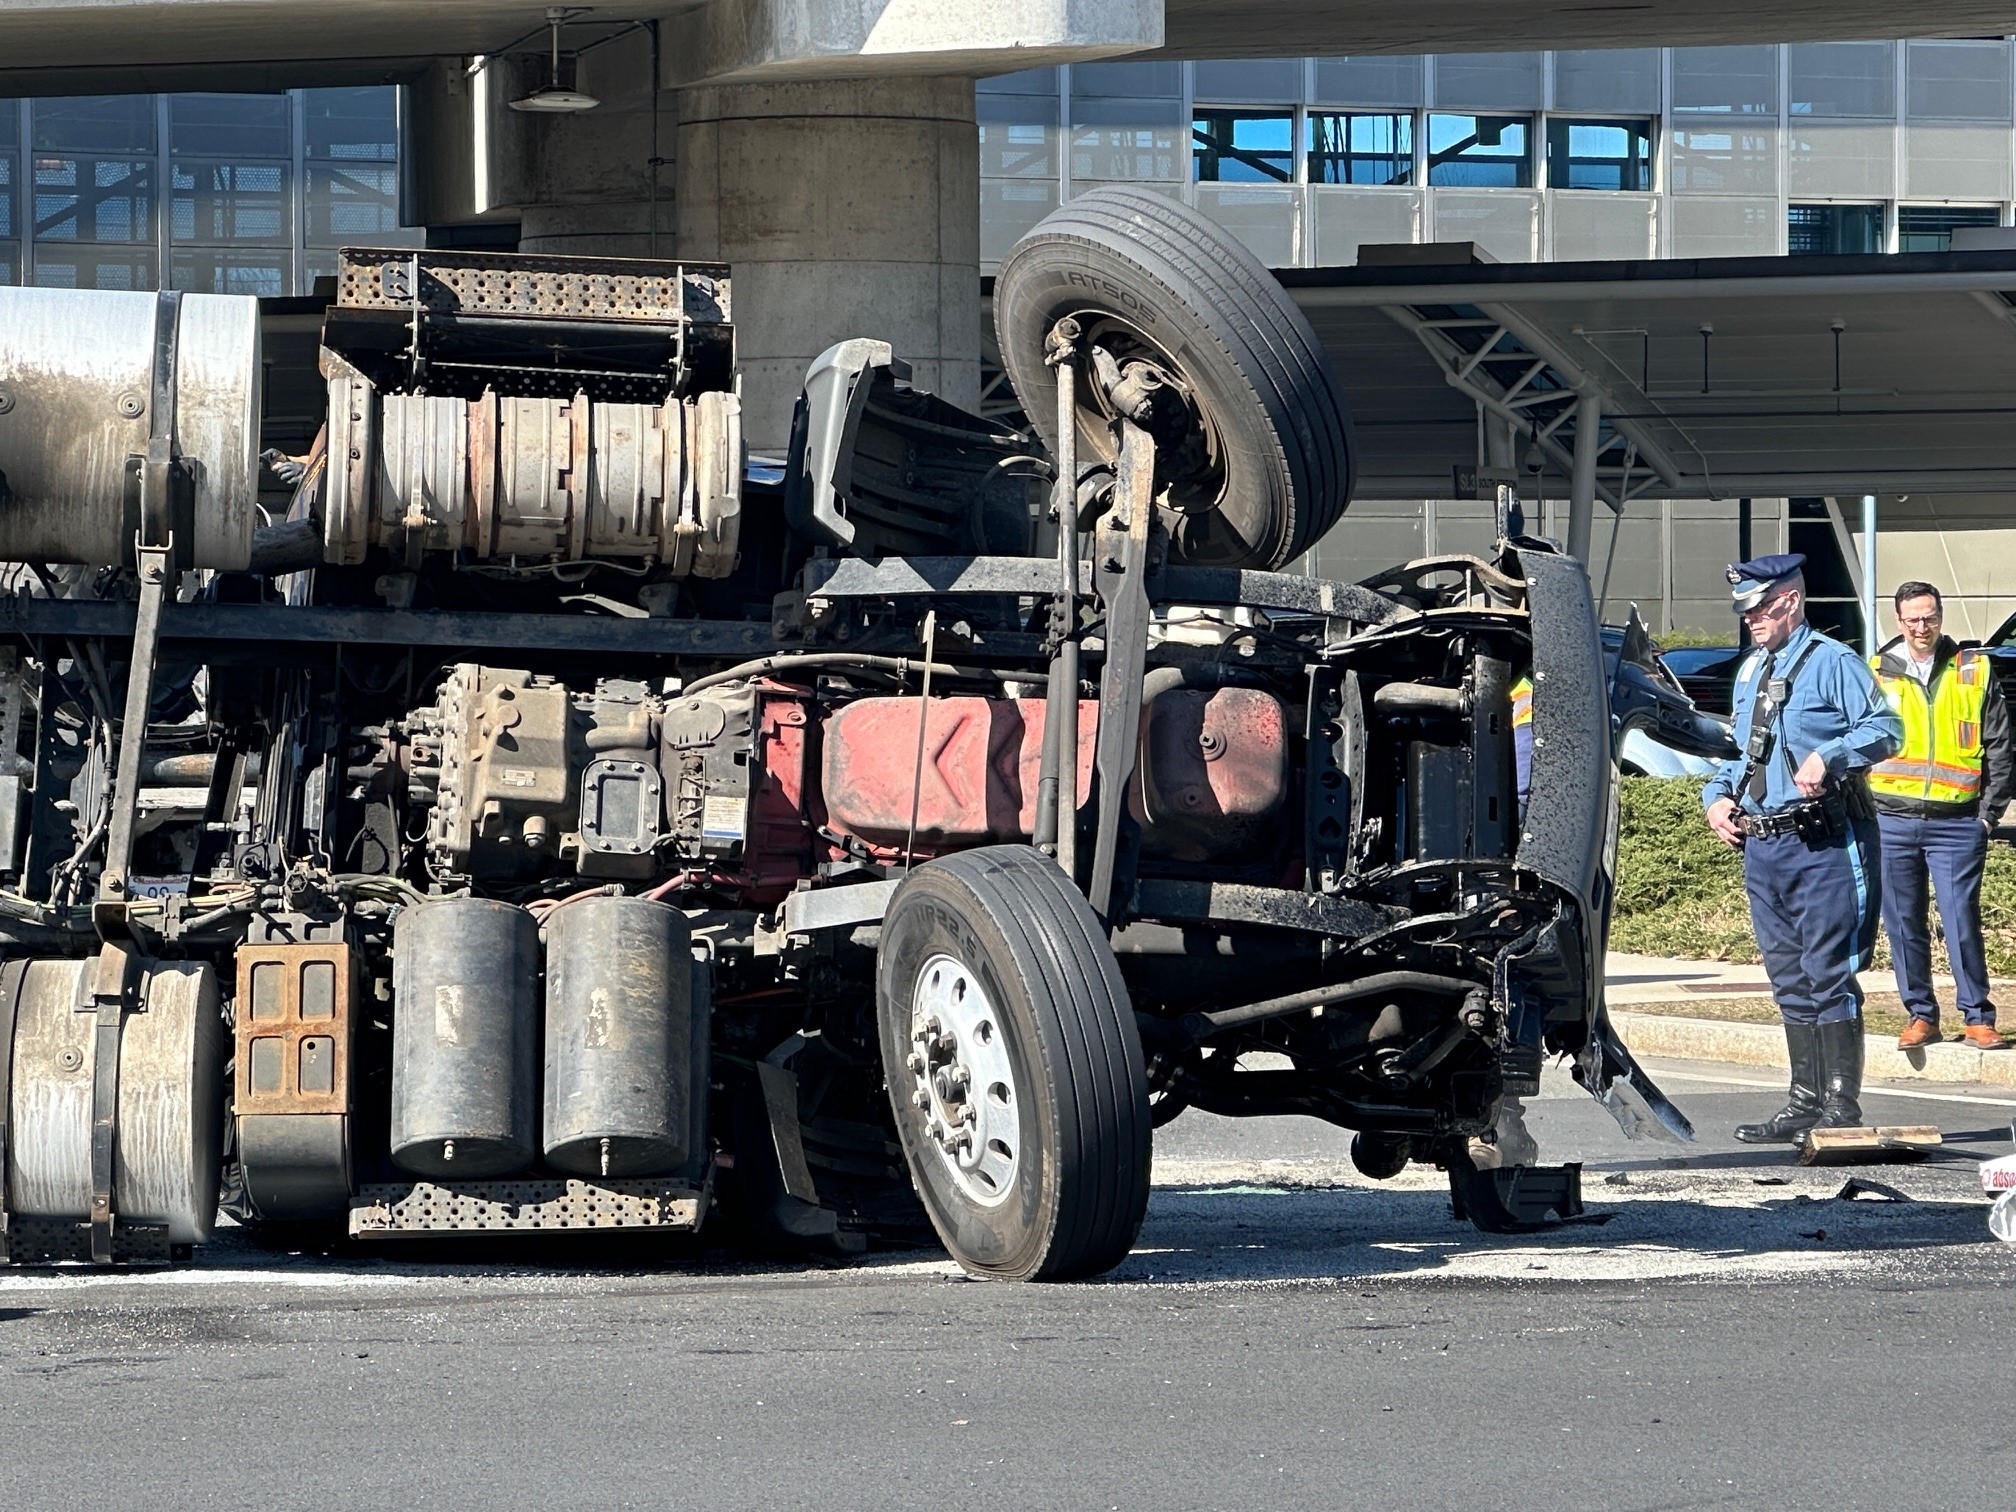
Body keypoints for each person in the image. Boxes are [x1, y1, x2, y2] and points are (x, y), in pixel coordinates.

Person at [1701, 555, 1903, 1143]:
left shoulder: (1832, 662)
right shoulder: (1750, 672)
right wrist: (1716, 798)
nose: (1750, 621)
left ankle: (1841, 1104)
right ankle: (1803, 1101)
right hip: (1764, 845)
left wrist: (1830, 754)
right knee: (1787, 976)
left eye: (1758, 608)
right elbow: (1738, 752)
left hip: (1824, 841)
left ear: (1789, 601)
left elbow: (1887, 729)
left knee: (1826, 970)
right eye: (1745, 611)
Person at [1866, 581, 2013, 1050]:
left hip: (1957, 822)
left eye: (1929, 617)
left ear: (1941, 616)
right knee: (1903, 924)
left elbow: (2001, 748)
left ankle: (1977, 1016)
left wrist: (1987, 818)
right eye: (1913, 619)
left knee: (1960, 920)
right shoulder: (1875, 673)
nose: (1922, 626)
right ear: (1899, 621)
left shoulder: (1973, 668)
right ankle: (1920, 1015)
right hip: (1891, 819)